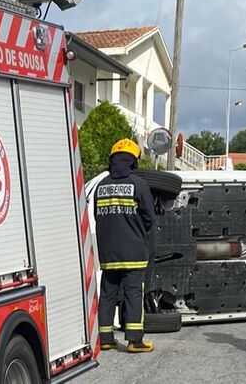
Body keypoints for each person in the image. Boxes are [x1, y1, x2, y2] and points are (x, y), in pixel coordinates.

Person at [94, 138, 156, 353]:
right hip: (134, 251)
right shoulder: (138, 185)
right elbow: (149, 218)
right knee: (133, 294)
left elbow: (97, 215)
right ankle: (135, 340)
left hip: (108, 253)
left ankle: (105, 338)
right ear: (133, 160)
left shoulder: (101, 187)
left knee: (108, 294)